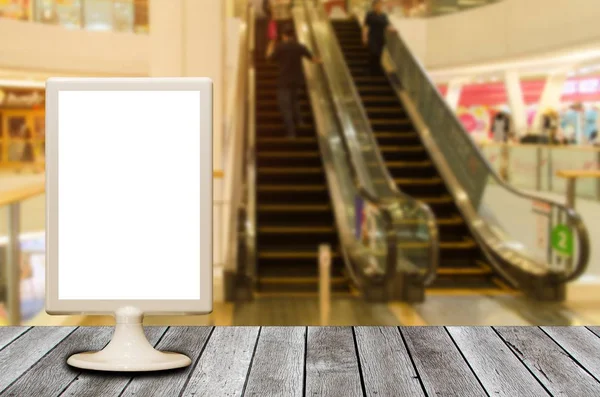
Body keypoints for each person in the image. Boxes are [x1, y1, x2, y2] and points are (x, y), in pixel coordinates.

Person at [266, 26, 321, 138]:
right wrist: (322, 60)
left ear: (284, 36)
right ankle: (300, 122)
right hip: (297, 80)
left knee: (285, 106)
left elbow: (269, 58)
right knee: (295, 101)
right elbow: (314, 59)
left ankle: (291, 132)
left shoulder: (280, 47)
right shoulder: (300, 47)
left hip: (284, 80)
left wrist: (271, 44)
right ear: (293, 36)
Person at [362, 0, 396, 76]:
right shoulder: (370, 15)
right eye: (378, 5)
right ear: (374, 6)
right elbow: (365, 26)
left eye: (380, 5)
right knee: (373, 52)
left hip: (380, 37)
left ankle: (376, 70)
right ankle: (371, 70)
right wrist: (364, 37)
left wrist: (393, 30)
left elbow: (387, 25)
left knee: (379, 54)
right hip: (372, 36)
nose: (379, 6)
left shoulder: (383, 16)